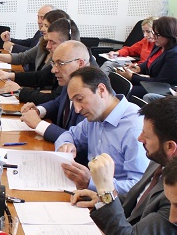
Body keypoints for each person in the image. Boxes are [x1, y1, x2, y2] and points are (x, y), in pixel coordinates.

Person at [70, 96, 177, 235]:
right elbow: (135, 200)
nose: (140, 139)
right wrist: (102, 199)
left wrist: (106, 190)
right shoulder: (159, 161)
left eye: (146, 135)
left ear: (170, 147)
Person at [55, 67, 148, 196]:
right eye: (73, 102)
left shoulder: (134, 129)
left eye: (80, 99)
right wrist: (65, 145)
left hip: (116, 203)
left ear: (101, 90)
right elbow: (69, 134)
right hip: (92, 194)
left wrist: (92, 182)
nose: (77, 109)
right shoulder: (95, 116)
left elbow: (140, 187)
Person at [19, 41, 90, 145]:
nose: (53, 70)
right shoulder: (71, 81)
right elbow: (58, 103)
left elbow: (79, 140)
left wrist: (39, 124)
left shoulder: (92, 93)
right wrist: (38, 111)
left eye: (60, 64)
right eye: (54, 63)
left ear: (80, 64)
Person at [116, 16, 177, 99]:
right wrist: (138, 68)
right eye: (154, 33)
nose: (154, 37)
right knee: (118, 83)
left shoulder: (176, 55)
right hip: (154, 83)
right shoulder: (161, 45)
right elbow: (150, 62)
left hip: (166, 89)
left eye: (157, 34)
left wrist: (132, 77)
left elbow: (160, 82)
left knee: (126, 90)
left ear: (168, 35)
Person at [0, 9, 70, 72]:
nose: (42, 29)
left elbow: (40, 78)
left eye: (46, 26)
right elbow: (23, 57)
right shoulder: (43, 43)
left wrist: (13, 77)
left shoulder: (63, 53)